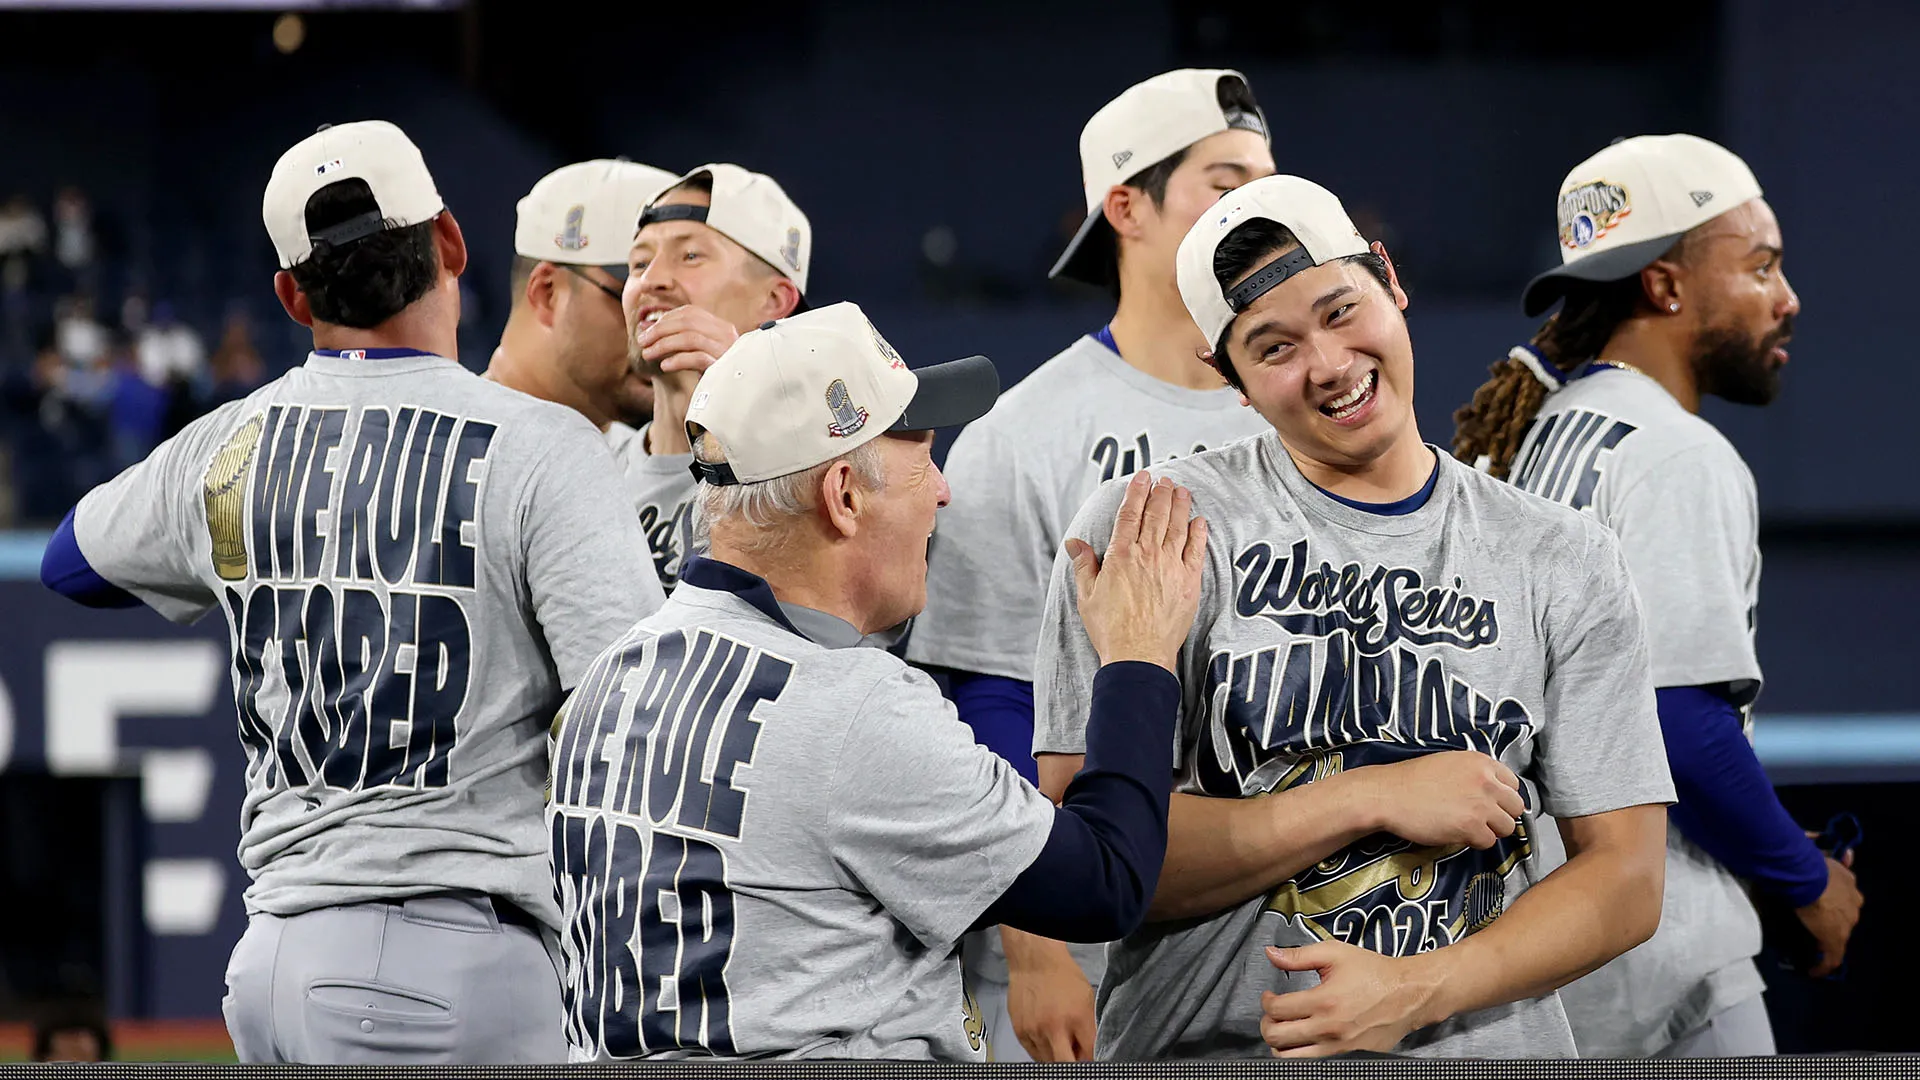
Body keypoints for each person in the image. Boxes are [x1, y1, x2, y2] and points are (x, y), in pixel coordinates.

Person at [38, 119, 665, 1064]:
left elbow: (69, 565)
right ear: (448, 242)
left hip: (271, 959)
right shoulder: (540, 446)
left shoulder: (229, 448)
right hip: (460, 956)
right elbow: (636, 718)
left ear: (293, 295)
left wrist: (267, 548)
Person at [1034, 174, 1678, 1059]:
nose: (1329, 364)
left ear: (1389, 279)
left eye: (1341, 311)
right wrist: (1370, 795)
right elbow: (1087, 862)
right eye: (1274, 347)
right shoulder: (1152, 530)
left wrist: (1414, 992)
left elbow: (1629, 879)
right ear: (1231, 382)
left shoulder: (1561, 556)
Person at [547, 301, 1207, 1061]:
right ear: (845, 495)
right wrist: (1137, 656)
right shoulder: (847, 705)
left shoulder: (612, 675)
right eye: (922, 457)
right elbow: (1107, 881)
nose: (944, 491)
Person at [1450, 133, 1862, 1058]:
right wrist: (1805, 881)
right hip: (1657, 952)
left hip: (1523, 935)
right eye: (1761, 267)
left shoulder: (1517, 440)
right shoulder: (1674, 453)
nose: (1787, 299)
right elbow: (1677, 722)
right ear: (1666, 286)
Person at [907, 67, 1277, 1062]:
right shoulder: (1027, 430)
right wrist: (1034, 945)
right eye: (1224, 178)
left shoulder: (1304, 411)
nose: (1261, 207)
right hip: (1088, 931)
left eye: (1267, 178)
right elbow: (989, 707)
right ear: (1127, 206)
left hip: (1278, 930)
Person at [610, 163, 811, 591]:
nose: (652, 280)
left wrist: (739, 385)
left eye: (690, 256)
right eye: (639, 261)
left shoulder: (820, 477)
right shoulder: (587, 465)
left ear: (775, 300)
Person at [484, 159, 679, 546]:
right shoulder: (452, 460)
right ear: (548, 293)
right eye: (632, 297)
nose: (657, 329)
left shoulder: (658, 466)